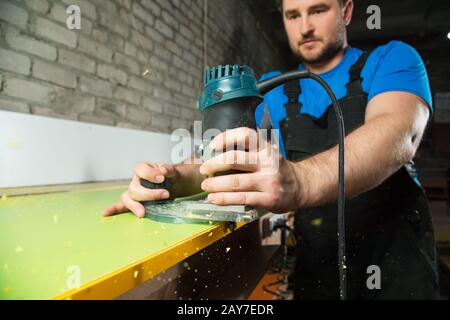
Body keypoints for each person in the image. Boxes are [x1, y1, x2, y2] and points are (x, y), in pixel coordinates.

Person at [103, 0, 438, 299]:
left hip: (397, 267)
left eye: (318, 10)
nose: (304, 26)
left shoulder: (392, 59)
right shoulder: (277, 88)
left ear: (346, 11)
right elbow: (228, 155)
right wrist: (170, 181)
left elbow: (398, 136)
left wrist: (299, 181)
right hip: (318, 267)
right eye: (293, 15)